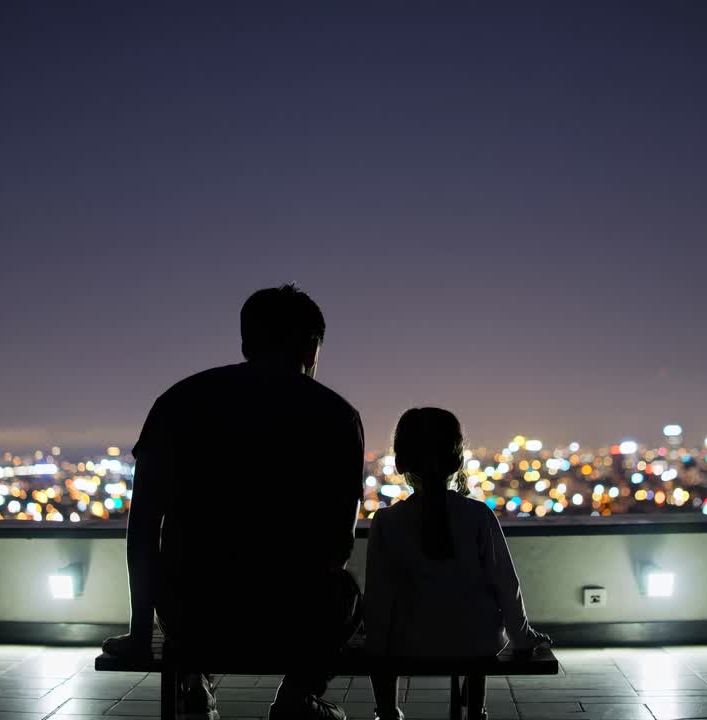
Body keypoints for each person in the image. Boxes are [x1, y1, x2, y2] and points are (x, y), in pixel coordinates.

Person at [103, 284, 366, 720]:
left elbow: (144, 528)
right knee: (346, 593)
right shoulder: (336, 415)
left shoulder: (178, 400)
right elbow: (338, 543)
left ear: (245, 342)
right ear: (311, 347)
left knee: (183, 574)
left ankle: (193, 684)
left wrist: (137, 634)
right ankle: (296, 697)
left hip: (193, 616)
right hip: (292, 618)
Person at [364, 408, 548, 720]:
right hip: (478, 641)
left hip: (407, 642)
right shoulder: (478, 516)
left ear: (399, 464)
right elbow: (506, 585)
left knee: (384, 632)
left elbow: (379, 598)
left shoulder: (387, 521)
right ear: (457, 462)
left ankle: (387, 712)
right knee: (475, 620)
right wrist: (522, 638)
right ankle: (474, 711)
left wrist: (376, 647)